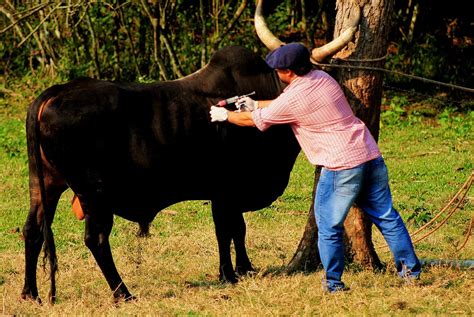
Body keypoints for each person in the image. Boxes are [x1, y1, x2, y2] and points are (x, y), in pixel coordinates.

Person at [209, 42, 421, 293]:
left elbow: (254, 121)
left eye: (278, 70)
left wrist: (226, 116)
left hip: (340, 166)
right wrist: (256, 103)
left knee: (329, 226)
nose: (276, 73)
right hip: (368, 155)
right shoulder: (322, 78)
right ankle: (410, 273)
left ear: (288, 72)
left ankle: (333, 283)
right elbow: (282, 102)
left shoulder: (295, 97)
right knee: (387, 217)